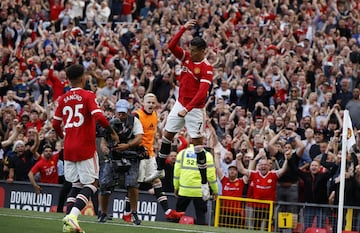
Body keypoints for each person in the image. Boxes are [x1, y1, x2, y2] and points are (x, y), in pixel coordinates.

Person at [146, 19, 214, 201]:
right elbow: (170, 45)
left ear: (202, 51)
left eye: (194, 51)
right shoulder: (185, 57)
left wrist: (188, 109)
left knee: (198, 146)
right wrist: (183, 28)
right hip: (180, 103)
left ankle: (204, 183)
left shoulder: (206, 69)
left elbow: (202, 94)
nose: (190, 53)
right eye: (190, 49)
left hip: (195, 109)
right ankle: (158, 171)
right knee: (167, 136)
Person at [52, 64, 118, 233]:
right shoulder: (88, 95)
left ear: (68, 80)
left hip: (68, 147)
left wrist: (62, 136)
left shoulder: (62, 98)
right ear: (83, 78)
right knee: (92, 183)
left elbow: (55, 123)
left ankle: (68, 223)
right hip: (85, 147)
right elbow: (99, 117)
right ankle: (72, 217)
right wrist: (111, 132)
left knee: (76, 184)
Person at [135, 93, 185, 221]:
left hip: (150, 155)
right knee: (135, 184)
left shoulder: (155, 116)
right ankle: (127, 212)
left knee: (157, 182)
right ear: (143, 103)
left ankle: (168, 211)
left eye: (153, 102)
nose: (151, 105)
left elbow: (154, 133)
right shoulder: (136, 115)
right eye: (149, 102)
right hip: (138, 155)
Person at [98, 99, 143, 225]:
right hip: (113, 155)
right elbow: (103, 141)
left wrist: (127, 146)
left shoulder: (134, 121)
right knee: (105, 184)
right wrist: (105, 149)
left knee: (132, 184)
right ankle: (103, 213)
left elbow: (139, 137)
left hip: (130, 154)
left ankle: (134, 213)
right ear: (116, 111)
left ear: (128, 111)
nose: (121, 115)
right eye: (119, 113)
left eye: (124, 113)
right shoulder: (108, 122)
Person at [173, 144, 218, 225]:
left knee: (178, 215)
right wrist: (215, 190)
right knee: (201, 216)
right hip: (199, 191)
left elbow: (176, 172)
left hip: (184, 189)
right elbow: (211, 175)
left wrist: (176, 187)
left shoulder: (182, 153)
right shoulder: (207, 155)